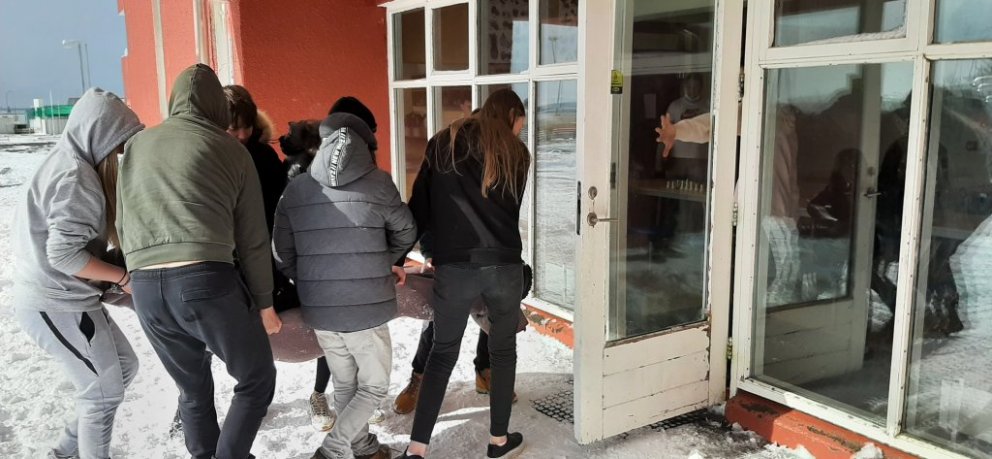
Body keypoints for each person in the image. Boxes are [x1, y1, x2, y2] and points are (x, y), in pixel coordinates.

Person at [117, 64, 279, 459]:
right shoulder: (231, 149)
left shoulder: (137, 145)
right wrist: (265, 303)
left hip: (146, 287)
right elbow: (253, 239)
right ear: (218, 108)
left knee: (191, 388)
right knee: (256, 379)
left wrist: (137, 271)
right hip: (204, 279)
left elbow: (122, 220)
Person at [273, 106, 417, 459]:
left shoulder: (297, 188)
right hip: (366, 308)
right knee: (374, 385)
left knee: (345, 382)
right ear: (366, 145)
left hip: (320, 307)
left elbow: (280, 250)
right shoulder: (379, 182)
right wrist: (379, 263)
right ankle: (333, 449)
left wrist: (310, 278)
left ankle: (364, 448)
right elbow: (406, 231)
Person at [12, 88, 143, 459]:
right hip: (55, 303)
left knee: (123, 368)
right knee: (101, 394)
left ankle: (63, 453)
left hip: (68, 298)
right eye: (119, 145)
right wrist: (123, 279)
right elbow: (64, 255)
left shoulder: (66, 162)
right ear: (100, 137)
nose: (121, 155)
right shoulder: (76, 177)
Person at [401, 89, 530, 459]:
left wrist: (401, 254)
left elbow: (420, 206)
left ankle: (417, 449)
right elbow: (508, 211)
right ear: (510, 115)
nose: (518, 132)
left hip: (455, 267)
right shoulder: (517, 153)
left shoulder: (444, 142)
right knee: (503, 352)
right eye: (519, 125)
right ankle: (498, 442)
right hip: (504, 265)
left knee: (442, 352)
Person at [223, 85, 339, 432]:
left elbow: (281, 211)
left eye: (246, 127)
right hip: (227, 262)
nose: (241, 134)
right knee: (242, 337)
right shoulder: (208, 157)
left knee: (326, 318)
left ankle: (320, 393)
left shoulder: (263, 157)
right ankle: (251, 397)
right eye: (233, 128)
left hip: (273, 255)